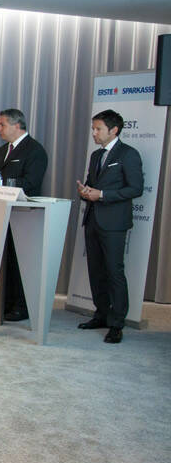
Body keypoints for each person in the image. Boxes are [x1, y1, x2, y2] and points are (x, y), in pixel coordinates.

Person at [75, 109, 144, 344]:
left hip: (114, 223)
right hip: (93, 219)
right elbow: (91, 184)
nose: (94, 133)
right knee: (96, 270)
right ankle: (101, 314)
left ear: (114, 130)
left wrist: (102, 194)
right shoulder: (96, 156)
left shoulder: (128, 154)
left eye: (98, 129)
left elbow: (135, 189)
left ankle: (116, 324)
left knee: (114, 272)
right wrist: (85, 191)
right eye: (93, 128)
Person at [0, 108, 49, 321]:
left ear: (17, 125)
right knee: (3, 260)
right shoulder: (2, 151)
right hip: (0, 212)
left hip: (24, 215)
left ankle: (22, 306)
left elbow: (31, 183)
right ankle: (4, 302)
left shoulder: (35, 150)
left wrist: (0, 185)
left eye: (2, 124)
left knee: (20, 261)